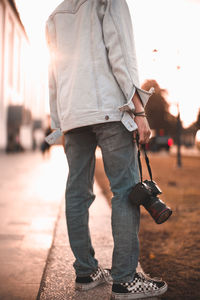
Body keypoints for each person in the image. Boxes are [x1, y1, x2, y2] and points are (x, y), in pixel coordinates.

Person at [46, 0, 168, 299]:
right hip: (110, 112)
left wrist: (59, 122)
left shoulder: (55, 16)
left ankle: (85, 272)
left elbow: (53, 76)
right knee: (125, 190)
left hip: (74, 116)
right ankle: (125, 279)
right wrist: (139, 111)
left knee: (77, 192)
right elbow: (121, 57)